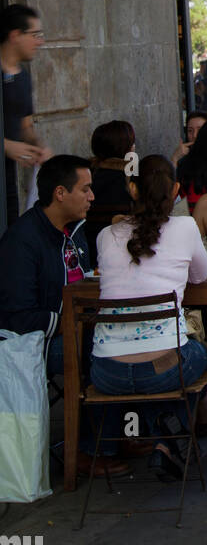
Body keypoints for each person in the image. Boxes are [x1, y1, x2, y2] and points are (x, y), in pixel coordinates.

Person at [0, 155, 128, 476]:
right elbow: (17, 317)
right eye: (85, 189)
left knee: (132, 342)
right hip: (36, 343)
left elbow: (84, 279)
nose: (92, 196)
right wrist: (74, 321)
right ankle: (88, 449)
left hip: (81, 327)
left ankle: (125, 433)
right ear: (60, 193)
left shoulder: (75, 229)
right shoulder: (22, 241)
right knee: (107, 355)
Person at [89, 155, 207, 482]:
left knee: (153, 361)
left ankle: (145, 438)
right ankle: (167, 440)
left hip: (106, 373)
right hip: (163, 371)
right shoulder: (186, 227)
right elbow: (201, 277)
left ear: (132, 189)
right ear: (175, 191)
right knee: (201, 352)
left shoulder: (106, 235)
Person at [0, 3, 52, 226]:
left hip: (7, 181)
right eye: (34, 34)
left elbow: (26, 126)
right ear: (15, 35)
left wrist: (38, 145)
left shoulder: (23, 77)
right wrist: (7, 146)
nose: (39, 41)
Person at [85, 120, 136, 256]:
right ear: (128, 149)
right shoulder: (132, 181)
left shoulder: (85, 177)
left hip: (85, 251)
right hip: (122, 255)